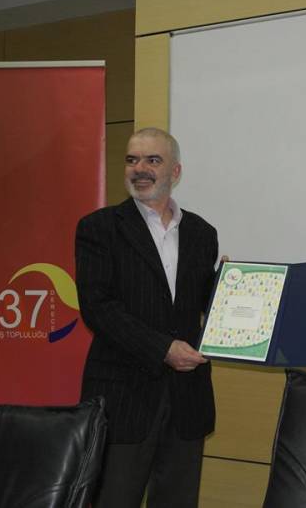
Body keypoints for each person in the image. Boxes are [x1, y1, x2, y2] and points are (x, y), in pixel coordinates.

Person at [75, 127, 219, 508]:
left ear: (175, 171)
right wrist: (163, 349)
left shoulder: (202, 233)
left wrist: (231, 288)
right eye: (132, 160)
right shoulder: (98, 229)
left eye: (153, 160)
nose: (140, 169)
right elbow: (98, 308)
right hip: (124, 399)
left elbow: (203, 304)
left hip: (187, 400)